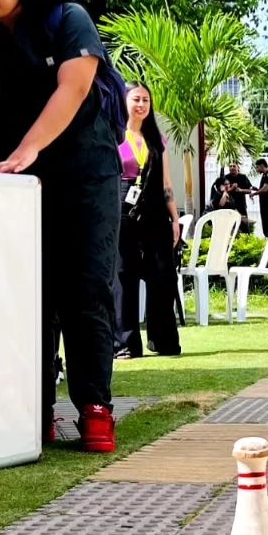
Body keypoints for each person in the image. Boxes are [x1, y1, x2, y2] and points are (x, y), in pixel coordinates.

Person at [0, 0, 122, 452]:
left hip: (85, 173)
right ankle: (34, 409)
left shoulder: (66, 18)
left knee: (86, 287)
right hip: (12, 182)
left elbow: (75, 87)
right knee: (26, 294)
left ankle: (94, 408)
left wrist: (30, 149)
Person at [114, 82, 181, 360]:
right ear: (124, 101)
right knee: (124, 275)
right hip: (122, 209)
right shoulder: (115, 135)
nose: (141, 105)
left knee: (163, 275)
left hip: (154, 210)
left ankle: (164, 340)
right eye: (136, 99)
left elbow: (166, 183)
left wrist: (174, 218)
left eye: (146, 100)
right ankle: (125, 343)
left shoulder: (157, 139)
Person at [224, 162, 253, 233]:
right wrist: (232, 188)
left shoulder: (243, 177)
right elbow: (223, 191)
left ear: (238, 168)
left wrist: (241, 190)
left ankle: (246, 237)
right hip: (229, 205)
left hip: (241, 205)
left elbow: (249, 190)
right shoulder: (226, 177)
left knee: (244, 225)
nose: (232, 168)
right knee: (230, 226)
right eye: (230, 166)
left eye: (234, 166)